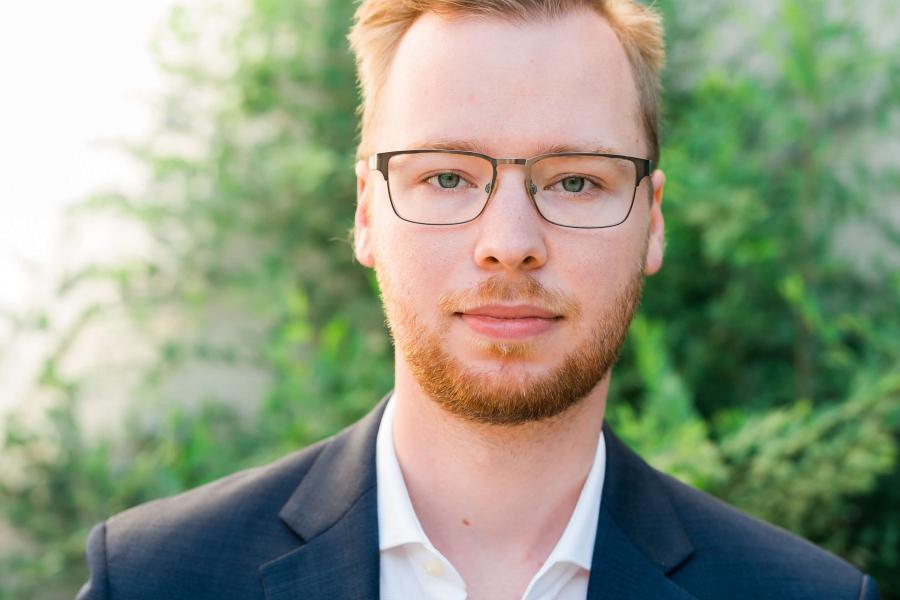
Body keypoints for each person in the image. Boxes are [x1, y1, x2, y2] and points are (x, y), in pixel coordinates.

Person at [76, 1, 880, 598]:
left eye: (575, 181)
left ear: (653, 222)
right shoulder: (154, 580)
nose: (509, 242)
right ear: (366, 212)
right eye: (447, 176)